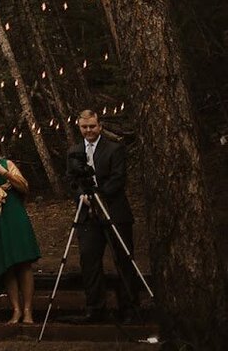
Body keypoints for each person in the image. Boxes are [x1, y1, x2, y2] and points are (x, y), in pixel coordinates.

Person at [68, 109, 139, 323]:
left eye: (92, 126)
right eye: (84, 127)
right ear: (79, 127)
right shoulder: (74, 151)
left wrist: (98, 195)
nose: (88, 130)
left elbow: (119, 178)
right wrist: (83, 197)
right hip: (87, 214)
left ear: (99, 126)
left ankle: (129, 308)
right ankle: (95, 307)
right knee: (89, 260)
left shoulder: (114, 149)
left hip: (114, 211)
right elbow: (71, 180)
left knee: (123, 259)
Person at [0, 132, 40, 325]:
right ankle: (16, 310)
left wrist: (7, 175)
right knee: (7, 265)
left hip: (13, 216)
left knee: (22, 262)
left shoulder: (7, 164)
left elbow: (24, 187)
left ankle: (28, 310)